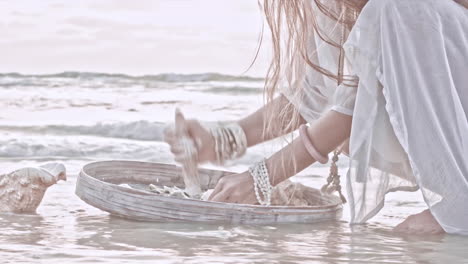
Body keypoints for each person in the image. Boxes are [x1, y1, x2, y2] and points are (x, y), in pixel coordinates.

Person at [164, 0, 468, 235]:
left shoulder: (401, 11)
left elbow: (350, 110)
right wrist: (224, 140)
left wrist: (261, 179)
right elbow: (310, 95)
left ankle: (459, 208)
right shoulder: (332, 8)